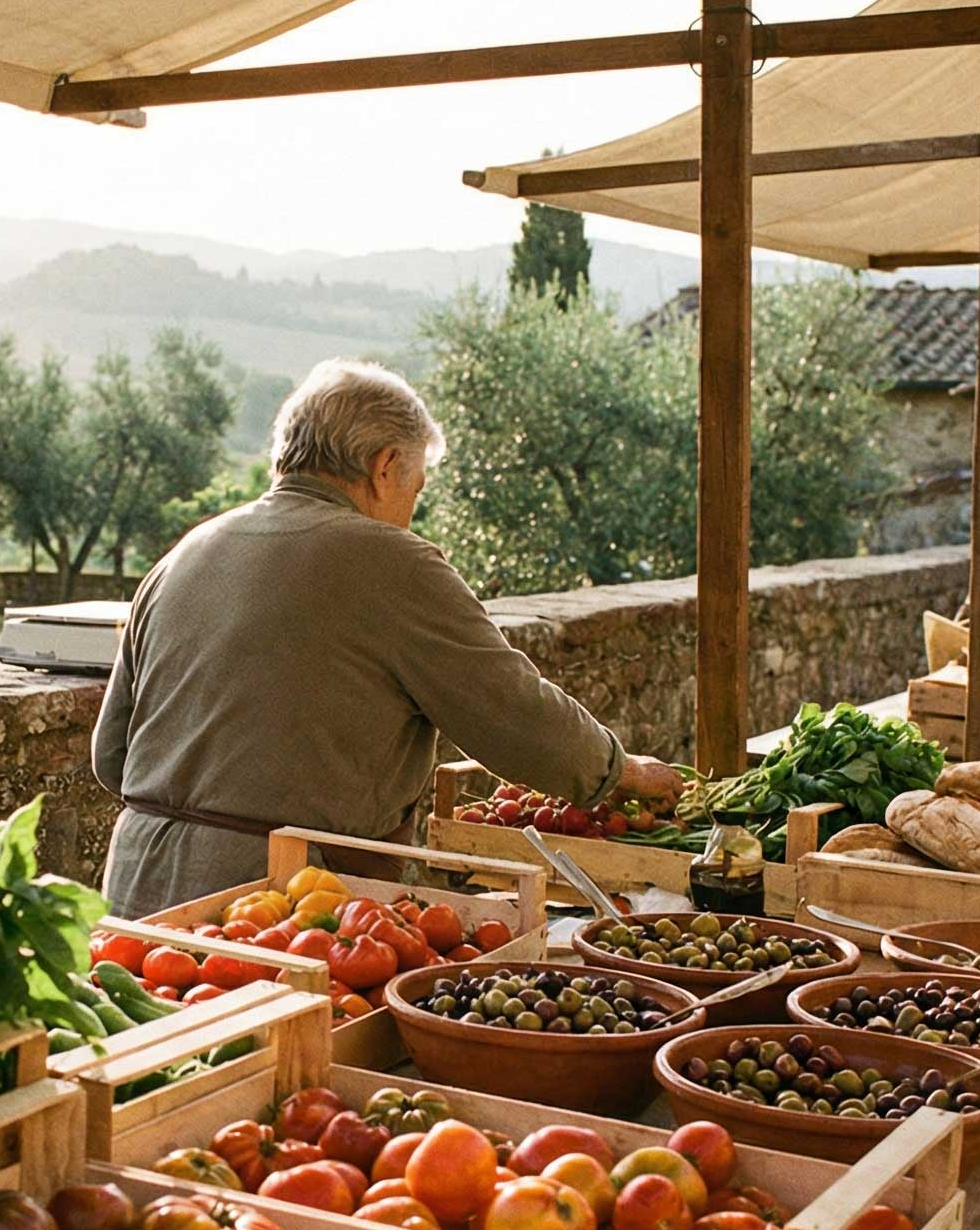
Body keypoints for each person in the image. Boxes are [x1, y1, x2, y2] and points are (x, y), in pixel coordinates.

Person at [92, 359, 682, 917]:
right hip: (281, 897)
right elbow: (512, 714)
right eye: (416, 487)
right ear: (383, 466)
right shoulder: (391, 560)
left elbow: (110, 756)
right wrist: (622, 772)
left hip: (134, 887)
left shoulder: (185, 553)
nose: (411, 509)